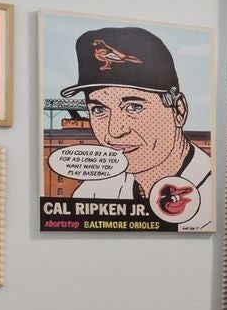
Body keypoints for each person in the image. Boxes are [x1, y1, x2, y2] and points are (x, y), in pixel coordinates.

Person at [59, 25, 214, 230]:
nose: (114, 131)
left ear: (178, 110)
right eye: (99, 109)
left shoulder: (214, 193)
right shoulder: (93, 192)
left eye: (133, 107)